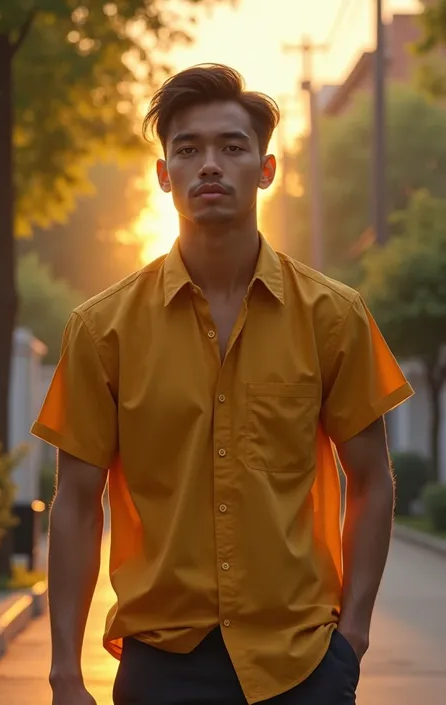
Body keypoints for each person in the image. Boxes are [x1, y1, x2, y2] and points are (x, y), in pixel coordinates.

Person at [32, 63, 414, 705]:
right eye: (188, 149)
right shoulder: (102, 329)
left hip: (301, 663)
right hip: (162, 663)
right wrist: (64, 673)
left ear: (265, 169)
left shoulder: (334, 315)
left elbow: (373, 480)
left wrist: (352, 638)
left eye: (232, 147)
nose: (210, 164)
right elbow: (74, 501)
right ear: (163, 176)